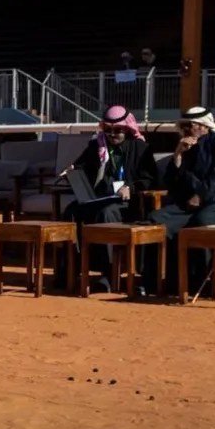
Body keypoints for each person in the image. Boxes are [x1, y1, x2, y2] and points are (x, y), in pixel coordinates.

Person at [145, 107, 215, 292]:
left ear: (203, 126)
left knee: (203, 221)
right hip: (190, 204)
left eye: (189, 126)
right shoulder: (188, 147)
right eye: (183, 127)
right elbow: (171, 182)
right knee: (156, 219)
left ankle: (207, 283)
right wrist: (178, 155)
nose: (185, 130)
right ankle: (159, 282)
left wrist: (201, 196)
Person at [58, 106, 159, 293]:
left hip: (128, 203)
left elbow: (149, 178)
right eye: (108, 130)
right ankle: (70, 270)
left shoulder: (140, 148)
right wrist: (71, 171)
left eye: (118, 130)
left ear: (127, 129)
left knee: (107, 214)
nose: (112, 135)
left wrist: (131, 188)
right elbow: (81, 165)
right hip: (100, 198)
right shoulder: (96, 145)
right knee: (72, 211)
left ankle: (110, 274)